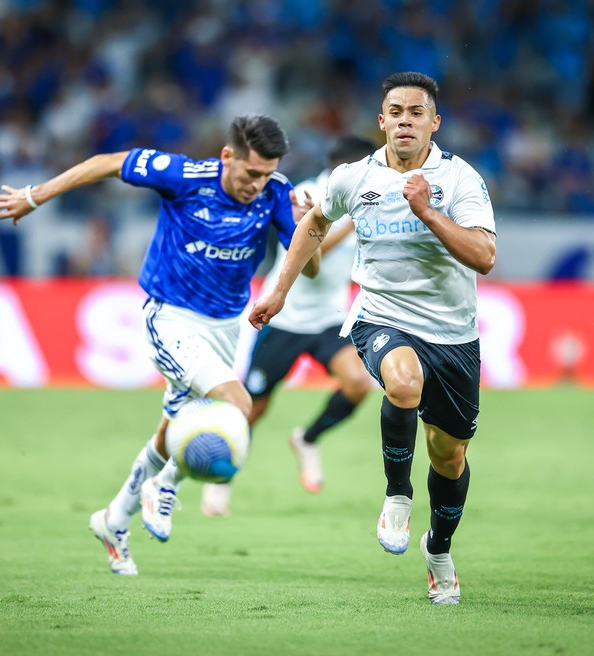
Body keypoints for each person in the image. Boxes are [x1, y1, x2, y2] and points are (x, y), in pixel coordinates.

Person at [0, 115, 319, 575]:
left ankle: (113, 520)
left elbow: (313, 268)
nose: (257, 185)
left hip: (226, 327)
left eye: (266, 174)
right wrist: (34, 195)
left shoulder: (278, 193)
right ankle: (165, 485)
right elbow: (107, 163)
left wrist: (309, 226)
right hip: (171, 316)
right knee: (237, 405)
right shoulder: (183, 176)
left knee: (171, 431)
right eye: (250, 174)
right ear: (228, 157)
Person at [248, 72, 497, 606]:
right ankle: (397, 496)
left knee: (449, 457)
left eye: (416, 112)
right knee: (401, 385)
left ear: (434, 122)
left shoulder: (460, 181)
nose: (405, 120)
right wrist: (280, 291)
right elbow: (314, 223)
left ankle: (439, 549)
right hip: (381, 315)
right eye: (395, 112)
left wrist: (427, 211)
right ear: (381, 121)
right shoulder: (352, 177)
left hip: (453, 334)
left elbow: (484, 257)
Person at [200, 136, 377, 517]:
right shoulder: (305, 196)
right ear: (347, 169)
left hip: (329, 318)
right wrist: (349, 222)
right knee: (252, 408)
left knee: (360, 382)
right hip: (287, 317)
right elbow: (311, 254)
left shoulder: (373, 200)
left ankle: (307, 440)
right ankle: (220, 483)